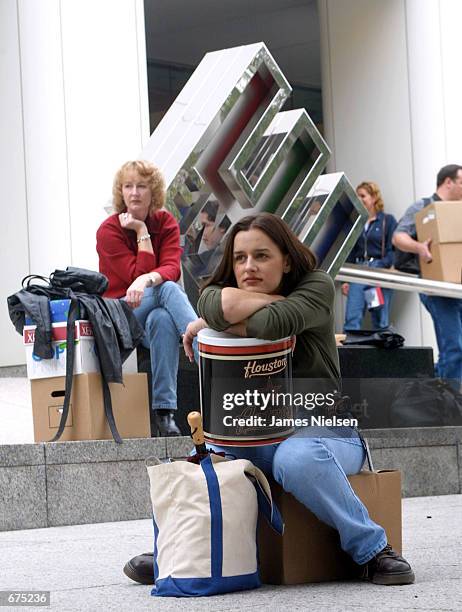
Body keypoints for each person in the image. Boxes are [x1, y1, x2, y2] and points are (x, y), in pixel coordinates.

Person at [124, 213, 415, 586]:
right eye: (240, 258)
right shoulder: (216, 292)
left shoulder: (317, 287)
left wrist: (217, 321)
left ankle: (373, 549)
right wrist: (229, 313)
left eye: (262, 256)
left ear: (287, 260)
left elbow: (271, 325)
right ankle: (178, 552)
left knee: (296, 458)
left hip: (324, 428)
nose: (249, 267)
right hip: (253, 429)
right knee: (206, 461)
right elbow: (222, 304)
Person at [96, 160, 198, 436]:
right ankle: (209, 359)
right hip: (119, 316)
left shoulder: (165, 222)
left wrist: (147, 279)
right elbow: (134, 277)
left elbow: (171, 267)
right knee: (167, 290)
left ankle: (164, 413)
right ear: (121, 192)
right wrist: (141, 233)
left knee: (163, 318)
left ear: (153, 191)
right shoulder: (109, 230)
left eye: (141, 186)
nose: (134, 193)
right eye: (128, 186)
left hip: (149, 311)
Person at [392, 164, 462, 390]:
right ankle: (451, 402)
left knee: (455, 346)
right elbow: (398, 237)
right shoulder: (423, 208)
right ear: (448, 182)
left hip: (458, 287)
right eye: (461, 182)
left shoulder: (458, 210)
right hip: (436, 288)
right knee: (453, 345)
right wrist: (420, 248)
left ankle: (446, 393)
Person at [342, 182, 397, 330]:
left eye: (363, 196)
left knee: (379, 319)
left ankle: (381, 351)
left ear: (373, 198)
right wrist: (346, 280)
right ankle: (351, 352)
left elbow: (394, 250)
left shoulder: (387, 220)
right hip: (359, 272)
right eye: (357, 196)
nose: (359, 199)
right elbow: (350, 252)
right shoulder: (356, 223)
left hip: (378, 273)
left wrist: (382, 264)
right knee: (352, 319)